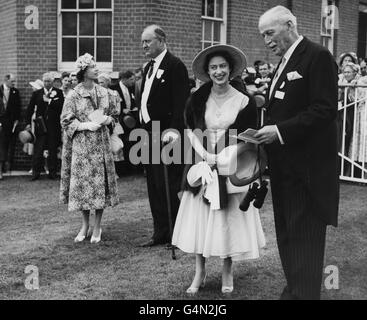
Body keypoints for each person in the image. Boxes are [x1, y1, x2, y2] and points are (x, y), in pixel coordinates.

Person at [255, 6, 339, 300]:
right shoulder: (283, 62)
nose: (266, 41)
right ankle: (294, 292)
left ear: (289, 24)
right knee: (288, 238)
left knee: (304, 243)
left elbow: (325, 109)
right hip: (284, 170)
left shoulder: (317, 56)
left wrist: (278, 132)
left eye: (270, 32)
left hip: (307, 174)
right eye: (263, 35)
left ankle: (303, 294)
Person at [172, 44, 266, 295]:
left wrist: (222, 158)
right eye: (213, 67)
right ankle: (199, 271)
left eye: (222, 66)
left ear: (231, 69)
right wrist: (205, 157)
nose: (218, 71)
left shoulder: (244, 101)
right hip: (203, 163)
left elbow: (246, 138)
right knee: (201, 220)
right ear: (207, 71)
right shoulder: (197, 98)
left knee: (227, 220)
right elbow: (191, 129)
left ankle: (227, 269)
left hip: (230, 163)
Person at [139, 24, 190, 247]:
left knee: (169, 184)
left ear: (160, 40)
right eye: (143, 41)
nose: (144, 45)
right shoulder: (147, 67)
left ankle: (176, 234)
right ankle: (159, 232)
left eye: (147, 41)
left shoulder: (174, 65)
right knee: (154, 185)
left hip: (167, 134)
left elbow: (181, 104)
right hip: (148, 133)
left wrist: (173, 132)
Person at [60, 53, 119, 244]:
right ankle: (85, 224)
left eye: (95, 66)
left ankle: (98, 226)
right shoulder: (73, 95)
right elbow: (65, 120)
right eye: (92, 66)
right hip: (82, 146)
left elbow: (114, 115)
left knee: (99, 186)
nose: (96, 69)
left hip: (101, 145)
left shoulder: (105, 93)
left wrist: (109, 119)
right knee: (83, 186)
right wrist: (84, 126)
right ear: (84, 72)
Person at [25, 72, 64, 180]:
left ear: (52, 82)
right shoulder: (37, 93)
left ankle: (52, 173)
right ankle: (36, 173)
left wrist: (50, 101)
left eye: (49, 81)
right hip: (40, 125)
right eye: (45, 81)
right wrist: (28, 123)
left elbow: (61, 107)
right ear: (43, 82)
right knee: (38, 150)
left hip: (53, 126)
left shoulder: (59, 93)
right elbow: (30, 109)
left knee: (52, 150)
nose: (47, 83)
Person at [98, 72, 124, 168]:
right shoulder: (96, 94)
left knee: (115, 145)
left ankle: (114, 170)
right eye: (99, 82)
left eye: (102, 82)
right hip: (101, 122)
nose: (100, 84)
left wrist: (110, 116)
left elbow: (118, 109)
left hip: (113, 121)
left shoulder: (114, 93)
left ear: (108, 82)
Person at [0, 74, 21, 179]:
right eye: (12, 81)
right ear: (6, 80)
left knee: (10, 145)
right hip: (1, 123)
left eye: (14, 81)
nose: (14, 83)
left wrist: (17, 120)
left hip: (12, 124)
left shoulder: (15, 92)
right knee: (1, 145)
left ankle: (7, 166)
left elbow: (18, 107)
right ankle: (1, 168)